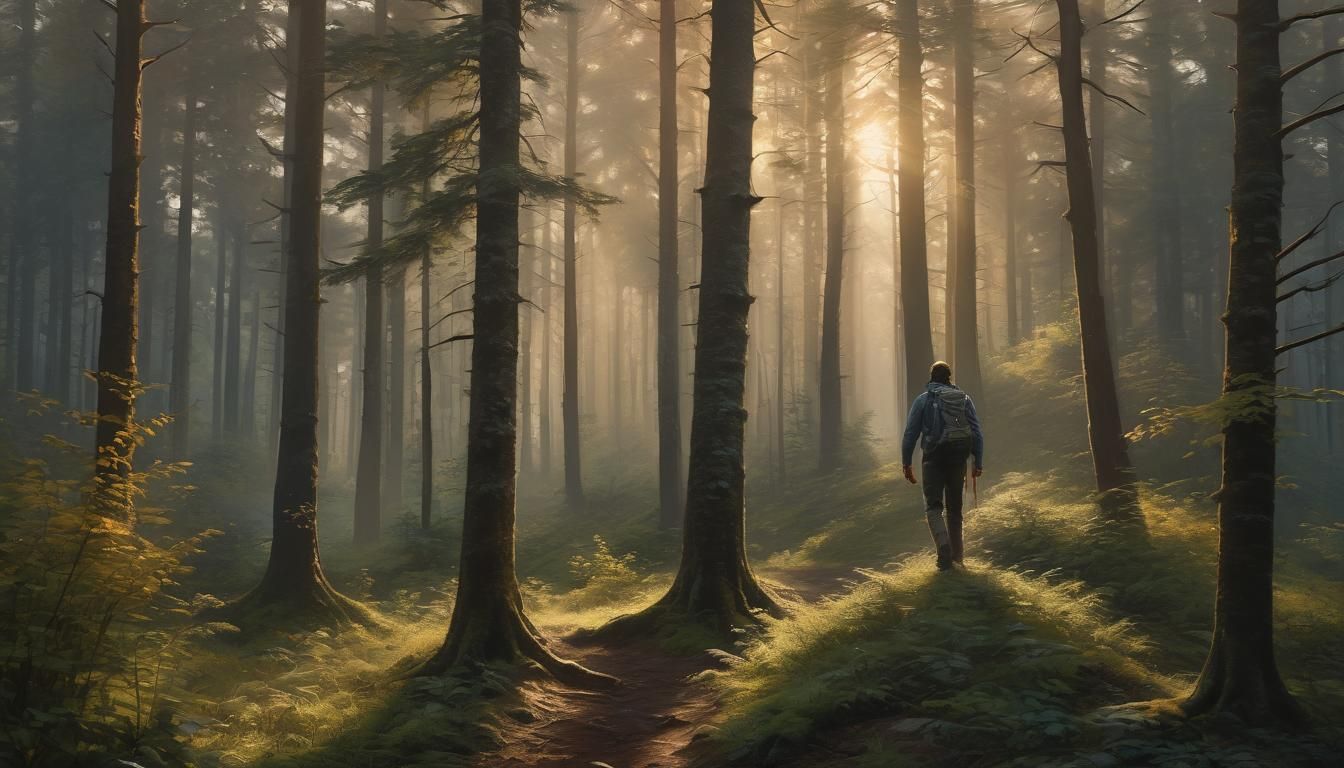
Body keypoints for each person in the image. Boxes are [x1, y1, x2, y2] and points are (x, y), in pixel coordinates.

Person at [901, 361, 984, 570]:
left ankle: (944, 549)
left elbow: (910, 434)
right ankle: (958, 559)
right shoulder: (964, 399)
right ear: (949, 377)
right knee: (955, 510)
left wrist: (906, 463)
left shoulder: (923, 400)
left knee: (933, 507)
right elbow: (976, 431)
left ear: (931, 377)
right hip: (958, 458)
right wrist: (978, 461)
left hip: (933, 458)